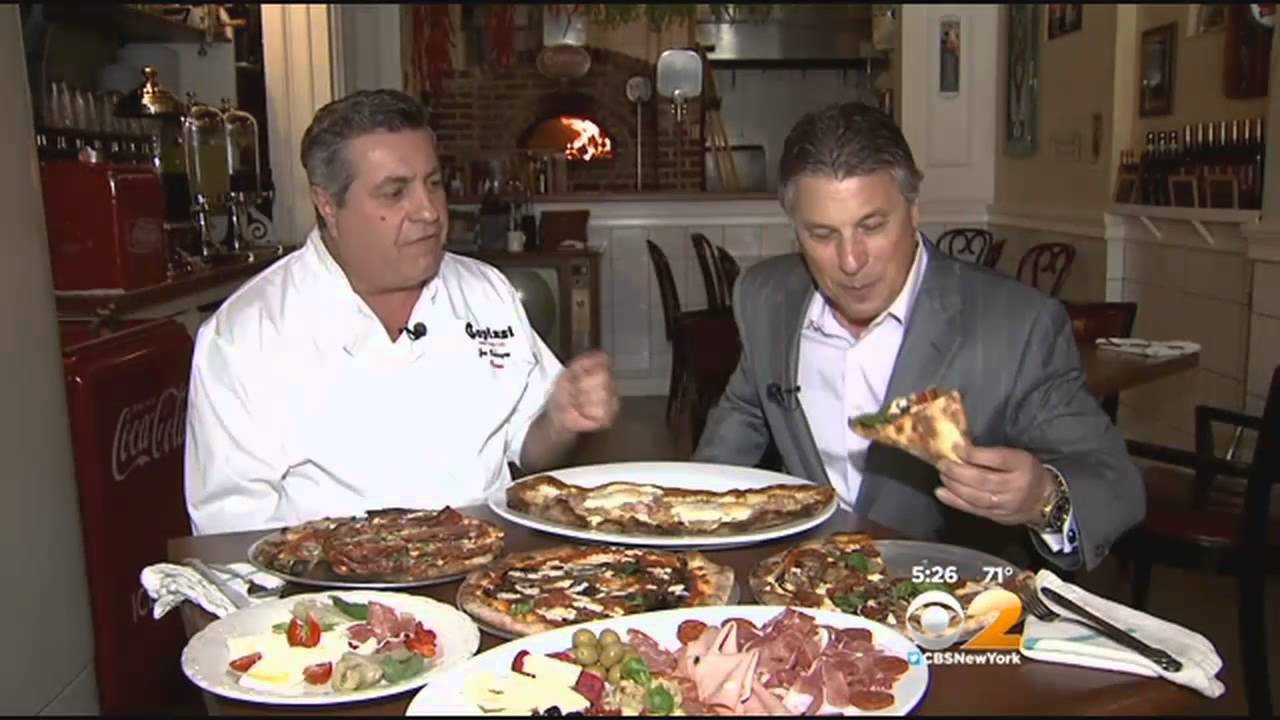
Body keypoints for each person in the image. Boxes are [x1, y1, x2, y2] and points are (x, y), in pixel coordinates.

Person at [694, 102, 1144, 571]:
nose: (851, 261)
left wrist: (1043, 498)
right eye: (822, 234)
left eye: (872, 226)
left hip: (947, 598)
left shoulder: (1017, 327)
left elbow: (1116, 485)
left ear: (914, 210)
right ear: (795, 229)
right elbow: (743, 419)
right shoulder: (765, 298)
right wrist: (684, 534)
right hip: (802, 591)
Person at [184, 89, 619, 535]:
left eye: (434, 184)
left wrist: (560, 421)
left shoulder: (486, 292)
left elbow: (528, 446)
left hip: (487, 562)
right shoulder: (246, 335)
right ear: (328, 204)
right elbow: (231, 533)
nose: (429, 211)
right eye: (395, 193)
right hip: (328, 574)